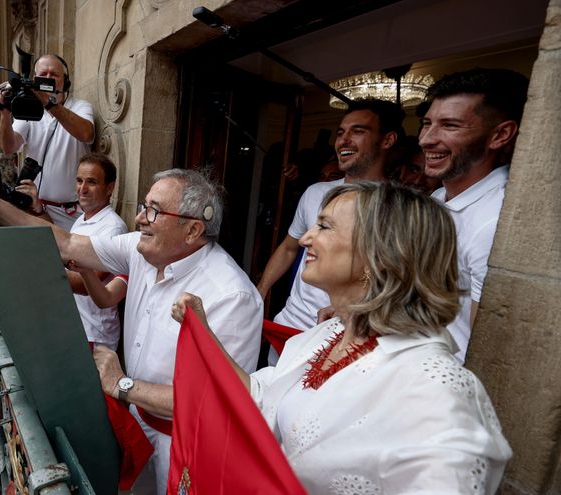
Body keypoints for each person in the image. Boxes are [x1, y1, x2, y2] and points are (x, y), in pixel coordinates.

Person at [173, 182, 511, 493]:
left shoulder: (437, 389)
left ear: (380, 254)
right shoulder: (326, 334)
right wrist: (203, 332)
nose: (305, 239)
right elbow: (261, 398)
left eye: (324, 226)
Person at [0, 164, 262, 494]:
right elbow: (68, 243)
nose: (140, 218)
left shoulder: (232, 297)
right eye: (144, 206)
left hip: (187, 450)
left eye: (154, 211)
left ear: (192, 230)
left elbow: (215, 403)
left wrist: (121, 383)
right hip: (139, 424)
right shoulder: (143, 251)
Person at [256, 98, 404, 336]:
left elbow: (393, 277)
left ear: (387, 140)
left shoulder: (399, 207)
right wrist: (260, 292)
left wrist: (353, 307)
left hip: (343, 333)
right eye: (341, 133)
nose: (344, 140)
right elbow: (289, 248)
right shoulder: (315, 192)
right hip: (289, 323)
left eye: (358, 131)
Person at [419, 68, 528, 362]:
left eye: (450, 125)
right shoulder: (438, 198)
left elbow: (488, 350)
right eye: (427, 123)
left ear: (500, 135)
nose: (427, 139)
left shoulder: (494, 222)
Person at [18, 153, 129, 348]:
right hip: (74, 327)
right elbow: (62, 245)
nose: (82, 189)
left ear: (109, 188)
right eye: (79, 181)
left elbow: (82, 284)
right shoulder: (82, 219)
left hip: (93, 334)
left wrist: (32, 271)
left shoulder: (113, 228)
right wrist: (38, 210)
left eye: (92, 182)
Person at [0, 54, 95, 230]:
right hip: (36, 208)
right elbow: (9, 147)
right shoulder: (29, 110)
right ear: (34, 79)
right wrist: (4, 112)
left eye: (54, 75)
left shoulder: (80, 106)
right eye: (44, 74)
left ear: (65, 81)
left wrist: (49, 104)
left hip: (74, 212)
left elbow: (86, 133)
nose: (48, 78)